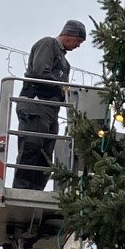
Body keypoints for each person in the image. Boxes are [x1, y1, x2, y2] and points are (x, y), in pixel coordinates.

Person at [13, 20, 86, 190]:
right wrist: (61, 85)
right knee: (32, 146)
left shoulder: (65, 64)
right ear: (69, 35)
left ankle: (36, 188)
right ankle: (22, 188)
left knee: (46, 153)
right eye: (78, 41)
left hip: (51, 110)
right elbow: (39, 72)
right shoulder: (48, 44)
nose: (78, 46)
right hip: (36, 103)